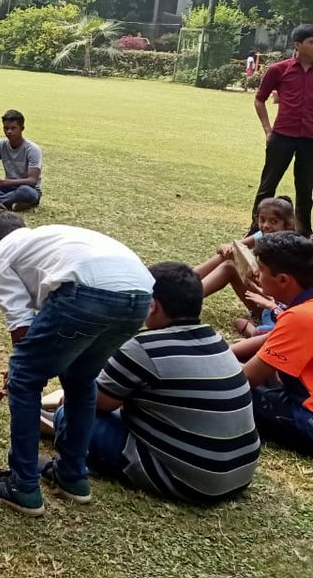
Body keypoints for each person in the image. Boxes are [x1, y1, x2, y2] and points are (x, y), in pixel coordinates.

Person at [0, 213, 153, 515]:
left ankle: (23, 485)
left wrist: (24, 370)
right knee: (82, 378)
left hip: (89, 293)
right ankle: (72, 475)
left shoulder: (0, 255)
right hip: (140, 294)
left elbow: (20, 326)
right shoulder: (47, 240)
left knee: (25, 377)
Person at [46, 262, 259, 503]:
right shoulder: (216, 340)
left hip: (191, 482)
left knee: (68, 414)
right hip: (238, 474)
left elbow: (97, 403)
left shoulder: (143, 347)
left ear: (152, 305)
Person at [240, 232, 313, 453]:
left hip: (307, 418)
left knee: (230, 397)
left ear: (283, 279)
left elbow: (244, 381)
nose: (256, 274)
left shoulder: (299, 317)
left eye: (261, 270)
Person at [195, 196, 295, 331]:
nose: (266, 226)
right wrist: (225, 247)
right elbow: (232, 245)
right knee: (229, 257)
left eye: (273, 221)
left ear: (287, 225)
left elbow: (286, 290)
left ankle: (186, 296)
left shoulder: (290, 248)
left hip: (275, 307)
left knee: (229, 266)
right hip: (261, 296)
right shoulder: (262, 235)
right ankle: (187, 284)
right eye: (262, 220)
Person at [251, 24, 313, 236]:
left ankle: (304, 235)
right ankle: (254, 231)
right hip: (282, 136)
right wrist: (268, 130)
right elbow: (259, 100)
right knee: (268, 185)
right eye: (312, 42)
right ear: (298, 45)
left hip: (310, 139)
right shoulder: (279, 69)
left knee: (305, 189)